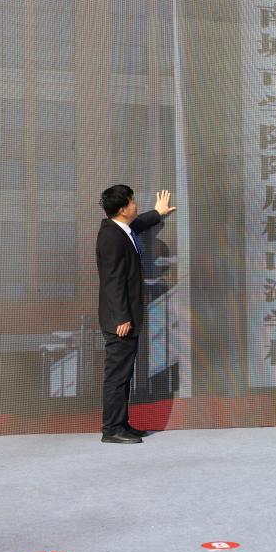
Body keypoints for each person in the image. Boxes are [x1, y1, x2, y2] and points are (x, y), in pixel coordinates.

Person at [96, 185, 177, 444]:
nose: (135, 204)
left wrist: (158, 213)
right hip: (119, 320)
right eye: (132, 202)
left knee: (124, 375)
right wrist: (121, 317)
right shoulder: (111, 237)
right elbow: (113, 281)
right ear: (122, 210)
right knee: (117, 377)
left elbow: (138, 224)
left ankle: (121, 424)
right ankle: (111, 430)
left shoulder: (121, 229)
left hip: (125, 316)